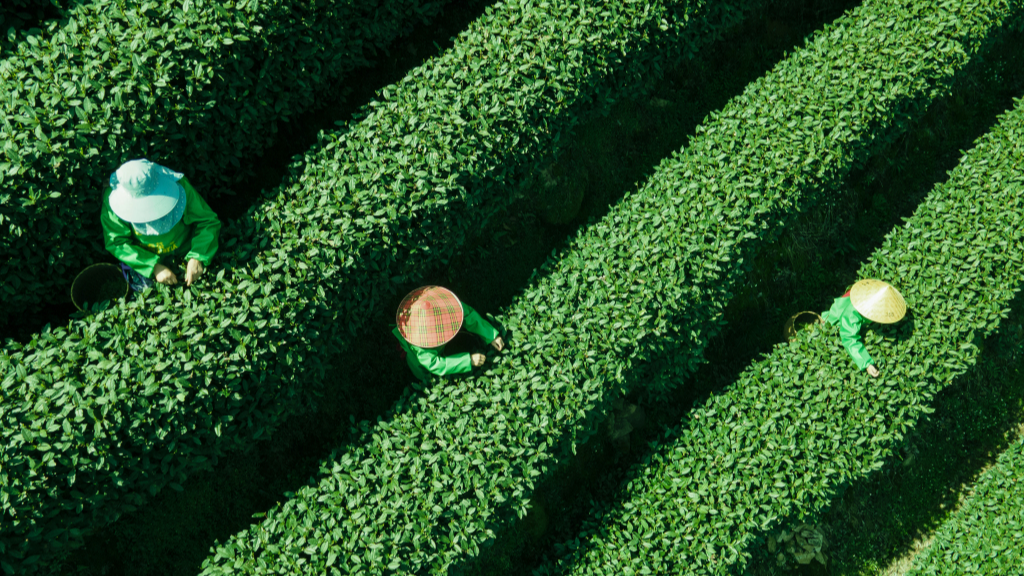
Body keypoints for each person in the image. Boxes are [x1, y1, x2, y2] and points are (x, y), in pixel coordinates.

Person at [101, 159, 222, 291]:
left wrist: (198, 256)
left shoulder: (180, 186)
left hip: (186, 252)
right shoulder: (113, 205)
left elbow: (208, 220)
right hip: (144, 260)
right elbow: (117, 242)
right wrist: (153, 267)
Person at [393, 286, 505, 381]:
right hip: (417, 361)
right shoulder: (420, 347)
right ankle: (426, 381)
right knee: (423, 374)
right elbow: (436, 364)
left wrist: (491, 335)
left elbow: (467, 315)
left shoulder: (446, 306)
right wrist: (468, 360)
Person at [820, 279, 906, 378]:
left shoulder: (869, 293)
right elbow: (849, 337)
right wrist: (867, 363)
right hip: (833, 326)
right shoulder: (853, 312)